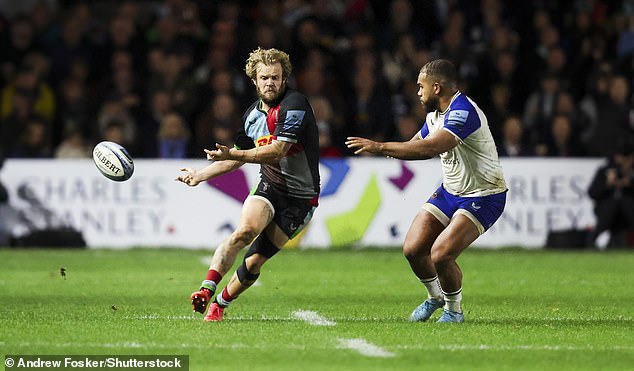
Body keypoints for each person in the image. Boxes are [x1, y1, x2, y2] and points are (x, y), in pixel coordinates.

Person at [346, 59, 507, 323]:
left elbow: (430, 148)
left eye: (421, 87)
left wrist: (381, 146)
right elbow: (420, 139)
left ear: (437, 87)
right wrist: (400, 149)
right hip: (450, 191)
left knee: (441, 254)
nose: (418, 93)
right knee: (413, 248)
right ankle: (435, 297)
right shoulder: (435, 114)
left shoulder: (462, 112)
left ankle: (454, 310)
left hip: (483, 195)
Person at [176, 48, 320, 322]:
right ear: (254, 80)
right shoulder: (252, 117)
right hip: (270, 187)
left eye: (275, 77)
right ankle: (207, 289)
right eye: (264, 77)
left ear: (284, 78)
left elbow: (276, 150)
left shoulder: (295, 105)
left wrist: (235, 154)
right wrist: (200, 175)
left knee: (254, 261)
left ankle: (220, 303)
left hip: (301, 199)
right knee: (244, 232)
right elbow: (236, 157)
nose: (270, 83)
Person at [587, 142, 634, 248]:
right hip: (607, 213)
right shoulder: (605, 171)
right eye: (622, 158)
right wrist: (607, 185)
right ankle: (591, 242)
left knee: (625, 202)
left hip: (629, 213)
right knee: (614, 204)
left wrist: (629, 184)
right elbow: (592, 193)